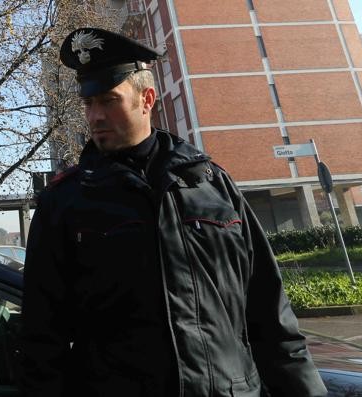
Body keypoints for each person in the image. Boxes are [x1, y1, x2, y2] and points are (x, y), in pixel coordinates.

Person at [18, 28, 328, 396]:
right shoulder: (64, 202)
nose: (95, 116)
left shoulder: (213, 185)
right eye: (89, 104)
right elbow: (41, 343)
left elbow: (271, 317)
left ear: (146, 99)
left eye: (108, 100)